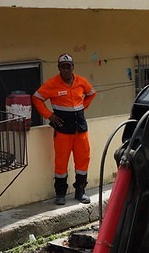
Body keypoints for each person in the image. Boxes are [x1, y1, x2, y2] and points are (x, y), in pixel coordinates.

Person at [32, 53, 97, 206]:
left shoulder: (81, 81)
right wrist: (49, 115)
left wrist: (82, 106)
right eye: (63, 67)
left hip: (80, 128)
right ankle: (60, 194)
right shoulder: (52, 83)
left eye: (69, 66)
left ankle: (80, 191)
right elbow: (36, 98)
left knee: (83, 160)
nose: (66, 70)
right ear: (59, 68)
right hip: (62, 130)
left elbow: (92, 93)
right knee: (61, 163)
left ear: (73, 67)